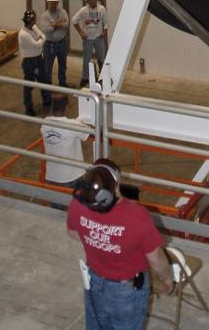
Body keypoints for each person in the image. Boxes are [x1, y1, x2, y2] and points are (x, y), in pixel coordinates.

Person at [67, 160, 174, 330]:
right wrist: (167, 278)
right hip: (126, 290)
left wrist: (98, 239)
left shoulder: (77, 204)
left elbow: (72, 233)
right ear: (116, 184)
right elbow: (155, 258)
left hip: (93, 281)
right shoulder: (137, 215)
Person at [41, 93, 91, 185]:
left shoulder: (45, 123)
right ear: (67, 107)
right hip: (71, 177)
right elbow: (94, 135)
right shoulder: (72, 125)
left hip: (51, 177)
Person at [73, 0, 109, 88]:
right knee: (87, 59)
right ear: (87, 2)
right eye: (90, 0)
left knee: (102, 58)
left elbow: (105, 22)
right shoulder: (84, 11)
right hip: (88, 38)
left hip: (99, 37)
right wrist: (81, 32)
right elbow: (74, 20)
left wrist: (105, 31)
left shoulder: (101, 9)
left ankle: (102, 76)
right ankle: (85, 77)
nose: (92, 1)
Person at [18, 9, 49, 116]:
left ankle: (47, 100)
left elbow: (43, 36)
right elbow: (38, 44)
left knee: (44, 81)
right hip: (29, 61)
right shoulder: (23, 34)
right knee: (28, 85)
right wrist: (41, 39)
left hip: (39, 59)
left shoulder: (34, 27)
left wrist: (41, 39)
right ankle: (28, 107)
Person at [40, 0, 69, 89]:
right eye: (51, 3)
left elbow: (67, 24)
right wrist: (59, 24)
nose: (53, 5)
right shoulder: (45, 16)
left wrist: (53, 24)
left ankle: (62, 82)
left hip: (62, 43)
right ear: (48, 3)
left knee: (63, 65)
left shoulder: (63, 12)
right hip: (49, 45)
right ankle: (47, 85)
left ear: (57, 3)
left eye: (55, 3)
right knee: (47, 66)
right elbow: (47, 30)